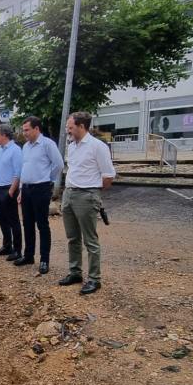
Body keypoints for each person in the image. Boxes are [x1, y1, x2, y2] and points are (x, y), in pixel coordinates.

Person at [58, 111, 116, 295]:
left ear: (82, 126)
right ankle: (75, 272)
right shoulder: (72, 146)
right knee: (72, 238)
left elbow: (108, 176)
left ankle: (94, 279)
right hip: (69, 194)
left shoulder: (97, 146)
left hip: (86, 195)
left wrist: (93, 192)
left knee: (90, 240)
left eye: (70, 127)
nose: (68, 130)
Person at [15, 116, 64, 275]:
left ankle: (44, 260)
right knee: (27, 224)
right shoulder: (26, 147)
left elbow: (59, 164)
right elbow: (24, 169)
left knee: (42, 225)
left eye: (27, 130)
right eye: (23, 130)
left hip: (41, 189)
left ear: (36, 129)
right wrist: (21, 190)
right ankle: (29, 255)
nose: (24, 133)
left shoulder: (47, 144)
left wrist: (47, 180)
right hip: (27, 189)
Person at [0, 124, 23, 260]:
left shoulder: (15, 150)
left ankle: (17, 250)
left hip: (8, 189)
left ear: (4, 135)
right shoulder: (0, 150)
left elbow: (18, 172)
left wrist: (11, 191)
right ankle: (7, 245)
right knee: (2, 220)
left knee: (13, 221)